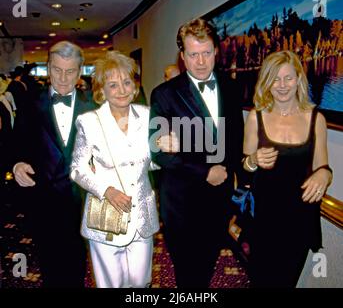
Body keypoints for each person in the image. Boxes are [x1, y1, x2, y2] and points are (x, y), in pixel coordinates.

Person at [149, 18, 244, 287]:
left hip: (219, 200)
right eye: (193, 54)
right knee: (188, 273)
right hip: (182, 203)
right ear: (182, 56)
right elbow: (158, 152)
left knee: (206, 268)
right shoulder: (164, 94)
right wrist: (205, 172)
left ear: (216, 51)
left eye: (206, 53)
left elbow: (234, 138)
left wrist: (236, 172)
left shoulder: (231, 86)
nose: (200, 62)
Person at [70, 50, 162, 288]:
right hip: (105, 216)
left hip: (142, 214)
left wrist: (166, 151)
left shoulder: (150, 115)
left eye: (126, 82)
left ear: (134, 86)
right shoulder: (89, 122)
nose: (121, 90)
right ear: (102, 90)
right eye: (113, 84)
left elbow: (152, 162)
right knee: (111, 283)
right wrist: (106, 190)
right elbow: (78, 168)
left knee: (141, 282)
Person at [243, 50, 333, 287]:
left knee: (286, 282)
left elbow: (321, 166)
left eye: (288, 78)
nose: (282, 85)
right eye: (275, 78)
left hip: (300, 220)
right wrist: (252, 160)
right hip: (265, 219)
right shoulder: (256, 117)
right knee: (261, 281)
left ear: (299, 80)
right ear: (266, 82)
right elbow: (243, 168)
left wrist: (325, 173)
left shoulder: (316, 118)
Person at [12, 41, 96, 287]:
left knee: (79, 266)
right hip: (44, 200)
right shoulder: (30, 102)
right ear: (48, 68)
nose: (62, 77)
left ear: (79, 72)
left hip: (82, 199)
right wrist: (17, 164)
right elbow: (16, 143)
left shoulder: (93, 105)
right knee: (50, 267)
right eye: (57, 69)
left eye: (70, 71)